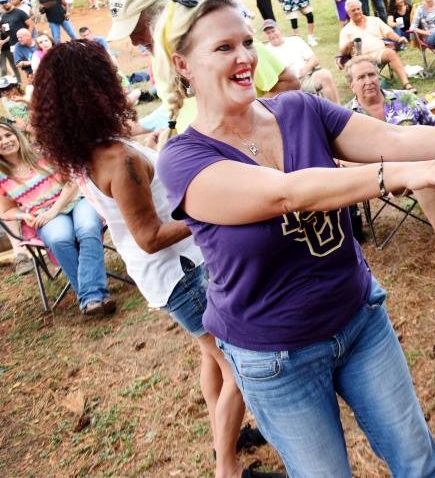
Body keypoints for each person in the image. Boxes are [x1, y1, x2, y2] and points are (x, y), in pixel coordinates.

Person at [151, 0, 435, 476]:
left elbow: (396, 138)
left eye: (245, 41)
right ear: (182, 64)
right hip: (275, 357)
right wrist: (395, 176)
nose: (243, 57)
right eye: (223, 48)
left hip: (359, 319)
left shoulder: (300, 109)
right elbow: (287, 194)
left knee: (418, 462)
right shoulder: (183, 159)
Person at [29, 40, 277, 478]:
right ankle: (228, 467)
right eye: (111, 75)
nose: (121, 82)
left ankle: (229, 437)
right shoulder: (119, 159)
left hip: (169, 277)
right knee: (238, 366)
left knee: (212, 357)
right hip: (181, 275)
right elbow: (148, 236)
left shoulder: (96, 150)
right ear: (95, 89)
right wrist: (208, 212)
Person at [106, 0, 298, 134]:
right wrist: (170, 133)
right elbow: (181, 110)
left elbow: (288, 84)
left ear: (164, 16)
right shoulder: (159, 59)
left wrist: (247, 129)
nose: (134, 41)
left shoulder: (224, 42)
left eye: (137, 29)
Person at [345, 56, 435, 278]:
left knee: (421, 170)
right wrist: (385, 173)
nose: (368, 80)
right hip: (379, 177)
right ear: (351, 85)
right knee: (420, 172)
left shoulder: (406, 99)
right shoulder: (346, 118)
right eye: (361, 77)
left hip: (420, 167)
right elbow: (345, 160)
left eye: (372, 74)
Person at [0, 120, 114, 315]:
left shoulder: (42, 154)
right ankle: (94, 297)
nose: (5, 141)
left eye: (8, 135)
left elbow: (72, 181)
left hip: (75, 200)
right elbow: (6, 211)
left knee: (87, 229)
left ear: (16, 135)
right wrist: (24, 215)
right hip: (44, 215)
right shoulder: (2, 176)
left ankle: (89, 297)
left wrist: (55, 210)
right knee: (58, 239)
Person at [338, 0, 417, 92]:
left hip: (379, 52)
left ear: (361, 9)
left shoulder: (374, 20)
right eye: (353, 10)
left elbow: (388, 33)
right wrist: (349, 44)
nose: (357, 12)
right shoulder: (346, 30)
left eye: (358, 9)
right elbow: (343, 51)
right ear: (348, 13)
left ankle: (406, 84)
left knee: (391, 53)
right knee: (363, 66)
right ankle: (375, 87)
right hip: (361, 58)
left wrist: (399, 38)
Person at [262, 19, 339, 104]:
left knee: (325, 74)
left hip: (305, 78)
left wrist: (306, 68)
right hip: (286, 87)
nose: (272, 35)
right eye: (268, 33)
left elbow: (314, 60)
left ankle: (338, 111)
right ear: (265, 36)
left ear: (279, 30)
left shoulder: (295, 40)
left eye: (273, 31)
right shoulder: (266, 52)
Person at [1, 0, 33, 79]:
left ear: (10, 1)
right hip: (13, 44)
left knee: (30, 61)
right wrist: (4, 31)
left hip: (24, 42)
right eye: (2, 3)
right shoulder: (3, 17)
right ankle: (21, 83)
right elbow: (7, 33)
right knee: (19, 65)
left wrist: (28, 37)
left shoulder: (19, 12)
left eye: (5, 2)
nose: (4, 4)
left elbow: (30, 24)